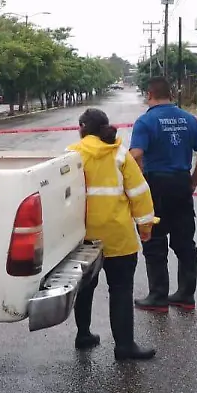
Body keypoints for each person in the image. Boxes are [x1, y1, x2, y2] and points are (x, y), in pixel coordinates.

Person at [67, 108, 158, 361]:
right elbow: (139, 192)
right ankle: (124, 346)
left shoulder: (71, 154)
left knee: (85, 288)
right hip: (119, 236)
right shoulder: (119, 154)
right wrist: (145, 226)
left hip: (83, 236)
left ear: (82, 127)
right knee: (120, 289)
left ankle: (83, 335)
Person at [129, 76, 197, 312]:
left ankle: (158, 296)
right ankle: (186, 295)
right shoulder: (189, 119)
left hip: (155, 186)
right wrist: (193, 183)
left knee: (154, 240)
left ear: (149, 95)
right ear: (172, 95)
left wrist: (137, 183)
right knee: (185, 241)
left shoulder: (145, 122)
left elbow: (135, 155)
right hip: (181, 184)